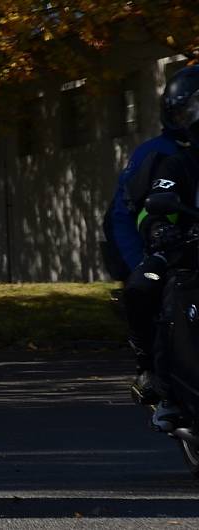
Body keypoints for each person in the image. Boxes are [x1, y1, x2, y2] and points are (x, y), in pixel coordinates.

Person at [120, 66, 198, 404]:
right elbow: (150, 207)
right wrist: (160, 229)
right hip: (186, 250)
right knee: (141, 286)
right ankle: (149, 369)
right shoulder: (175, 162)